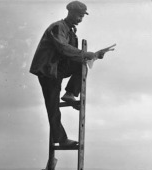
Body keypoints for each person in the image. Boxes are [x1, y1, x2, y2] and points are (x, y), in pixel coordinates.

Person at [30, 1, 105, 147]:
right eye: (79, 15)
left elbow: (73, 56)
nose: (80, 19)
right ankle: (61, 139)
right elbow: (63, 48)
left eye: (82, 16)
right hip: (48, 70)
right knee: (52, 107)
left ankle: (70, 93)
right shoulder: (58, 27)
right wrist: (85, 54)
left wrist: (94, 55)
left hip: (59, 68)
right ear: (70, 12)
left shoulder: (71, 31)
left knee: (80, 65)